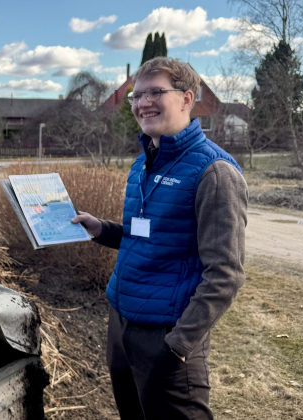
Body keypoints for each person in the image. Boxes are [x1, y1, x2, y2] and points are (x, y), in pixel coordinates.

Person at [72, 57, 247, 419]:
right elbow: (148, 234)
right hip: (122, 324)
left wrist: (179, 345)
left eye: (156, 92)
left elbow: (225, 273)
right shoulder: (143, 164)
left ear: (187, 98)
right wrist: (101, 229)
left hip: (166, 335)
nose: (142, 102)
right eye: (137, 95)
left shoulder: (214, 171)